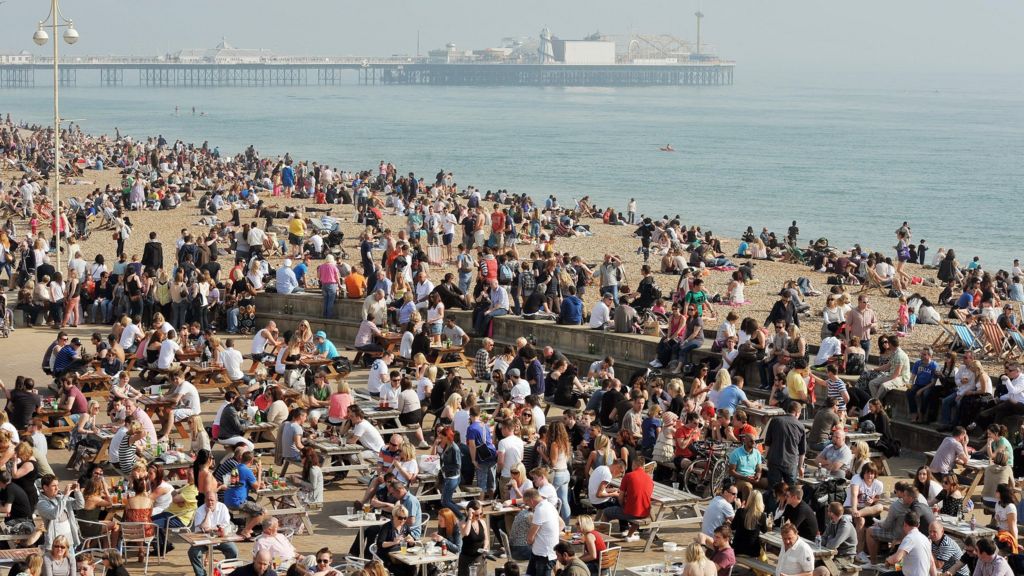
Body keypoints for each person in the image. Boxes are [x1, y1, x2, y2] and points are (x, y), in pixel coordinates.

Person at [601, 455, 652, 542]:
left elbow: (620, 497)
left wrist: (622, 505)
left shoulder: (628, 476)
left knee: (605, 512)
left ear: (634, 465)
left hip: (632, 512)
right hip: (645, 512)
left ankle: (603, 538)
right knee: (637, 509)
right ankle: (629, 535)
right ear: (643, 466)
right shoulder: (649, 478)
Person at [188, 490, 239, 576]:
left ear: (217, 500)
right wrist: (208, 513)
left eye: (212, 500)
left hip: (220, 538)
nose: (210, 502)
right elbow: (204, 527)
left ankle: (227, 572)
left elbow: (225, 524)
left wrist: (211, 529)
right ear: (204, 500)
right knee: (193, 552)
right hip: (203, 540)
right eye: (208, 500)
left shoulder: (223, 507)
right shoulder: (200, 510)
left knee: (233, 550)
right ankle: (201, 574)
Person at [35, 475, 83, 549]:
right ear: (45, 487)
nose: (57, 488)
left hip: (69, 539)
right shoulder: (41, 503)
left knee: (71, 560)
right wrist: (65, 496)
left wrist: (77, 492)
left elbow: (80, 505)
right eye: (54, 486)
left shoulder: (60, 497)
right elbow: (54, 515)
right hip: (56, 542)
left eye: (57, 485)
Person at [813, 502, 857, 576]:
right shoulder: (832, 522)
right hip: (834, 554)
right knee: (815, 565)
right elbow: (823, 538)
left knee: (827, 570)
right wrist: (829, 541)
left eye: (828, 511)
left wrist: (828, 540)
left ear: (831, 513)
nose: (827, 513)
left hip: (846, 556)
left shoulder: (845, 526)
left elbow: (832, 545)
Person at [524, 488, 561, 576]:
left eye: (527, 503)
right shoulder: (550, 505)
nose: (527, 506)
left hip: (544, 555)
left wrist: (529, 541)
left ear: (532, 500)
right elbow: (562, 524)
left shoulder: (540, 510)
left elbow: (530, 537)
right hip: (541, 552)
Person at [730, 489, 767, 557]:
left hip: (737, 549)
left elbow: (732, 527)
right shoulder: (762, 515)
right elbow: (764, 530)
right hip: (752, 551)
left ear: (749, 499)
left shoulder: (740, 511)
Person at [458, 500, 489, 576]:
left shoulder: (482, 522)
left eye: (480, 514)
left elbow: (486, 539)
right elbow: (466, 533)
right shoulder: (463, 523)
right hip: (467, 560)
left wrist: (484, 547)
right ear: (470, 513)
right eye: (476, 515)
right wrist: (470, 518)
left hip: (480, 558)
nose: (479, 517)